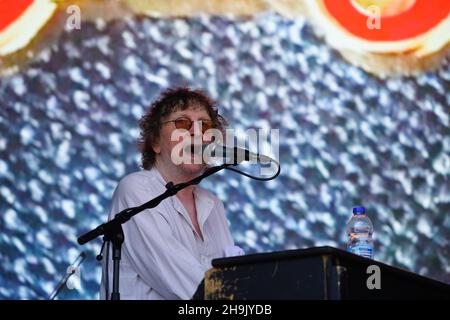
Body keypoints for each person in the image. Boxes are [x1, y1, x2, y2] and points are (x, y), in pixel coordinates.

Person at [100, 87, 243, 300]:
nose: (196, 132)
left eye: (205, 126)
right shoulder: (136, 190)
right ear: (156, 142)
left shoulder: (213, 205)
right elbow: (194, 289)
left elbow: (232, 283)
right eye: (183, 123)